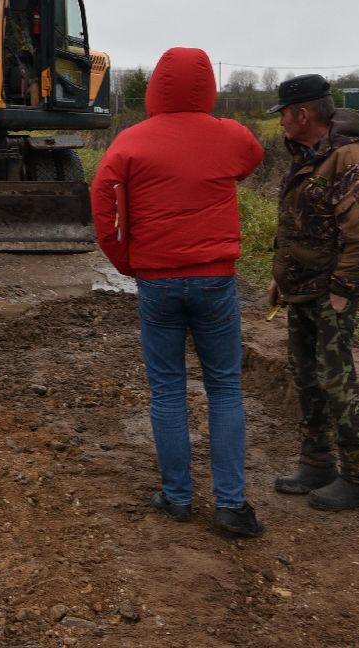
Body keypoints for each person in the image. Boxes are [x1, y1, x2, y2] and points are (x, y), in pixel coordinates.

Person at [90, 47, 266, 537]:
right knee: (225, 387)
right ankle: (231, 506)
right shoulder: (230, 136)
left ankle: (177, 497)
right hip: (216, 280)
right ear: (208, 85)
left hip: (158, 283)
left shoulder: (130, 142)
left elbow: (104, 210)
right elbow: (251, 159)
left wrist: (129, 262)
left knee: (167, 389)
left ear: (155, 89)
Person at [266, 73, 359, 511]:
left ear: (303, 113)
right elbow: (298, 224)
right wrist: (281, 275)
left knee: (336, 380)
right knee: (307, 377)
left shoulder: (350, 157)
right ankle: (316, 463)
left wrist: (343, 290)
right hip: (301, 287)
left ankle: (357, 477)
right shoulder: (308, 154)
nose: (280, 123)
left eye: (283, 114)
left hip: (330, 291)